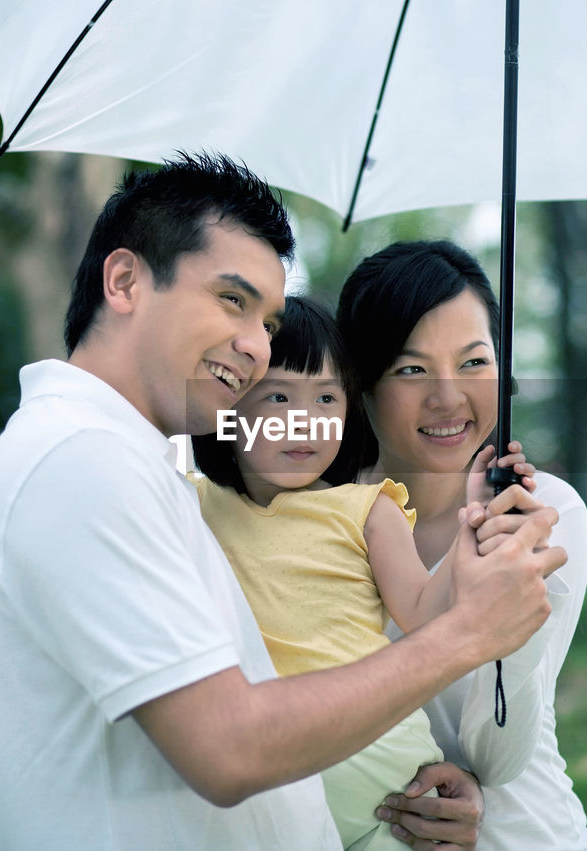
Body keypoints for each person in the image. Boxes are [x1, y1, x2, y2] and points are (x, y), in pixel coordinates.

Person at [0, 154, 565, 849]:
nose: (254, 345)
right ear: (124, 280)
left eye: (268, 320)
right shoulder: (79, 462)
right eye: (232, 300)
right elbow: (228, 746)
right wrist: (464, 634)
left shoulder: (129, 463)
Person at [194, 295, 483, 849]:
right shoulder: (195, 503)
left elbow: (426, 616)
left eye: (327, 398)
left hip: (388, 782)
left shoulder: (370, 507)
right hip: (273, 779)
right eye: (278, 396)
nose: (307, 421)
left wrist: (473, 529)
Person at [336, 240, 587, 849]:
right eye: (411, 369)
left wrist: (516, 578)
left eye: (475, 362)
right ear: (361, 383)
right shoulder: (323, 518)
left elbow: (499, 756)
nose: (448, 397)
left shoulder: (548, 511)